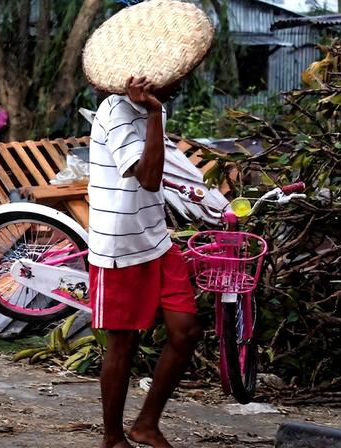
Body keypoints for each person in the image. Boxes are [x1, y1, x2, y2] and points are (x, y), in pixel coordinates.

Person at [88, 75, 200, 448]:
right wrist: (154, 114)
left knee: (185, 332)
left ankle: (146, 424)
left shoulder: (155, 109)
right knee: (123, 343)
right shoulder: (115, 110)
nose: (178, 86)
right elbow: (149, 178)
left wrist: (155, 112)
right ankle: (113, 438)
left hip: (155, 238)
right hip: (118, 248)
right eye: (172, 81)